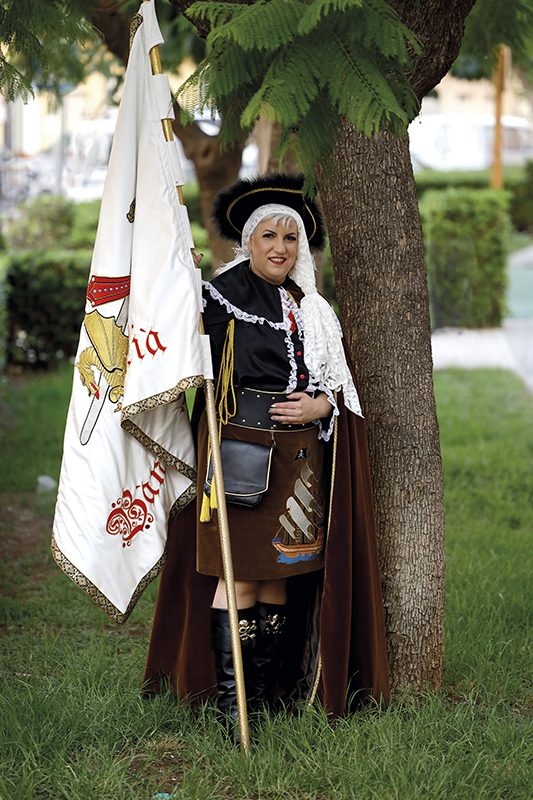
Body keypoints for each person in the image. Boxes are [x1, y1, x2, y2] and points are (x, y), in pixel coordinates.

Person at [143, 173, 389, 724]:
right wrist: (178, 282)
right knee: (242, 577)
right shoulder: (217, 296)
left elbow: (338, 386)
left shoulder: (311, 307)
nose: (280, 248)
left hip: (298, 462)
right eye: (269, 237)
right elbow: (178, 355)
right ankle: (235, 708)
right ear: (248, 241)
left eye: (291, 238)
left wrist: (319, 407)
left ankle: (268, 693)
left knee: (280, 575)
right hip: (239, 458)